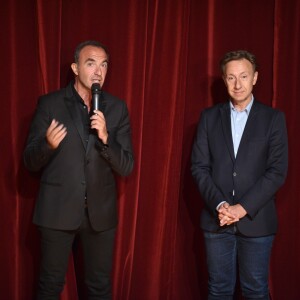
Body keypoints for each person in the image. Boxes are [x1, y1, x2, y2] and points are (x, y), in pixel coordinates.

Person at [24, 40, 134, 299]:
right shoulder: (50, 104)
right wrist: (48, 145)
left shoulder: (117, 109)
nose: (99, 71)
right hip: (57, 212)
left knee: (99, 288)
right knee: (50, 286)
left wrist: (106, 139)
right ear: (75, 68)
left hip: (100, 216)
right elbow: (29, 161)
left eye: (104, 64)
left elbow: (127, 166)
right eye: (91, 63)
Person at [191, 50, 288, 300]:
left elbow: (277, 171)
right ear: (224, 80)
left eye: (243, 76)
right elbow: (199, 167)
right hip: (217, 219)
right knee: (218, 289)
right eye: (231, 77)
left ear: (255, 77)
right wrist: (222, 205)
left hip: (257, 221)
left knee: (255, 290)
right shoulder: (209, 118)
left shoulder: (273, 119)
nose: (237, 84)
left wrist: (242, 208)